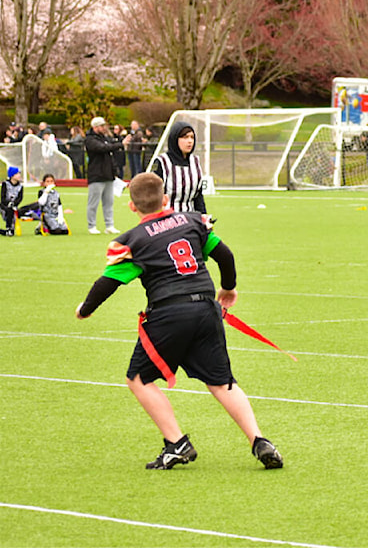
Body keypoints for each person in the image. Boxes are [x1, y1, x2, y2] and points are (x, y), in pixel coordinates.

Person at [75, 172, 282, 469]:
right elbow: (225, 254)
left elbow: (108, 283)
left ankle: (176, 443)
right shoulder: (192, 222)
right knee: (223, 383)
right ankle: (259, 440)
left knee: (139, 379)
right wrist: (229, 287)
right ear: (166, 199)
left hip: (168, 314)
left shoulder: (133, 241)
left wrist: (86, 308)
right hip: (206, 310)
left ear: (132, 207)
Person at [153, 120, 206, 213]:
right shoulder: (162, 162)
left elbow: (198, 196)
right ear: (175, 139)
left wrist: (203, 216)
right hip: (167, 219)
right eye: (185, 137)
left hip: (189, 218)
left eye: (192, 137)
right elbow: (153, 195)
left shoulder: (195, 162)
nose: (190, 141)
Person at [85, 116, 124, 235]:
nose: (104, 128)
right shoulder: (90, 140)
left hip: (108, 175)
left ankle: (109, 225)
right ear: (95, 127)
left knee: (109, 202)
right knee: (93, 203)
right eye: (102, 126)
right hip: (96, 175)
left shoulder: (104, 138)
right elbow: (103, 148)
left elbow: (109, 150)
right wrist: (120, 144)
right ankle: (91, 225)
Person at [1, 166, 23, 236]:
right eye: (17, 174)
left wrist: (14, 204)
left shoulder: (20, 186)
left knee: (12, 231)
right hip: (4, 206)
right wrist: (8, 204)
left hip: (13, 207)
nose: (19, 175)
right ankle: (8, 228)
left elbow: (20, 198)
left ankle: (8, 230)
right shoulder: (5, 184)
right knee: (8, 210)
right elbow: (3, 197)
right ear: (12, 175)